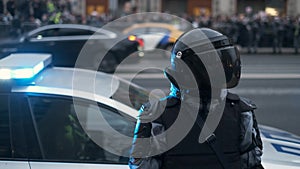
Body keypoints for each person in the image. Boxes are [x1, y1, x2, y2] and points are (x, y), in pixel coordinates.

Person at [129, 28, 264, 169]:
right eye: (213, 64)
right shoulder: (156, 115)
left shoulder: (242, 112)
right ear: (190, 69)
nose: (222, 68)